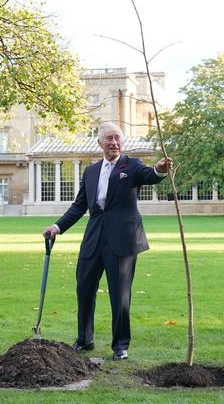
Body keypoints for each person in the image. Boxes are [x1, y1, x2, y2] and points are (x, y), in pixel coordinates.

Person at [43, 122, 172, 362]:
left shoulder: (131, 165)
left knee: (120, 294)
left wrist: (160, 169)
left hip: (123, 240)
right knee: (84, 287)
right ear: (100, 143)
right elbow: (80, 205)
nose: (114, 143)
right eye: (109, 139)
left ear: (122, 142)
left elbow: (150, 175)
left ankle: (120, 345)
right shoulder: (90, 172)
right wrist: (57, 227)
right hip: (93, 238)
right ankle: (85, 339)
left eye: (117, 139)